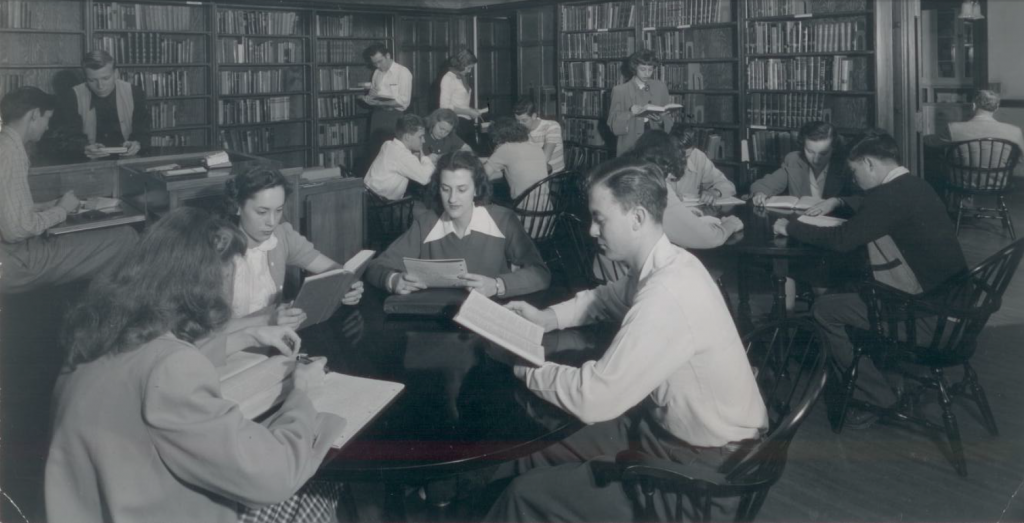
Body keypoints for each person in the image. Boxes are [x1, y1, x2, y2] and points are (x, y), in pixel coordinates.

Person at [484, 156, 767, 522]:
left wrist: (525, 366)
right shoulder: (666, 264)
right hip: (669, 433)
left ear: (635, 219)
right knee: (531, 455)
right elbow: (603, 298)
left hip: (706, 472)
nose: (591, 230)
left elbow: (594, 398)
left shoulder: (668, 294)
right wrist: (546, 317)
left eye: (600, 218)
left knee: (524, 495)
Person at [46, 207, 346, 523]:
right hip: (151, 512)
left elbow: (149, 364)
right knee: (315, 485)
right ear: (204, 284)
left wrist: (247, 336)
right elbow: (276, 476)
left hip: (96, 507)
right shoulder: (173, 368)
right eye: (229, 274)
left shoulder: (101, 330)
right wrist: (303, 395)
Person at [772, 130, 967, 429]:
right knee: (855, 287)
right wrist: (839, 202)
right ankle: (891, 376)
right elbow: (870, 209)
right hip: (959, 313)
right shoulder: (914, 185)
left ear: (869, 164)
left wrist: (792, 227)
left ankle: (877, 398)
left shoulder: (890, 196)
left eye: (855, 171)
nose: (855, 179)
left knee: (825, 310)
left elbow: (841, 240)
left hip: (930, 320)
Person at [0, 86, 137, 294]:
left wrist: (47, 206)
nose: (46, 127)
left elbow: (9, 211)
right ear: (35, 114)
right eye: (47, 119)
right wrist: (62, 210)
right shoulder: (10, 153)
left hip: (12, 256)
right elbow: (17, 230)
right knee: (126, 238)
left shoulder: (6, 144)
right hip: (16, 261)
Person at [365, 151, 550, 298]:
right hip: (436, 323)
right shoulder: (427, 223)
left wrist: (497, 285)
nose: (452, 199)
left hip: (488, 319)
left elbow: (540, 273)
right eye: (446, 189)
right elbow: (377, 266)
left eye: (462, 189)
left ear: (477, 189)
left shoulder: (503, 219)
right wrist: (394, 279)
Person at [222, 166, 363, 329]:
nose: (272, 222)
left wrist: (349, 285)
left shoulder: (281, 236)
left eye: (279, 210)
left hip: (270, 344)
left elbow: (336, 271)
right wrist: (268, 320)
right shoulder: (216, 251)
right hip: (224, 350)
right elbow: (205, 333)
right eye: (262, 212)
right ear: (237, 207)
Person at [628, 131, 743, 249]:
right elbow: (709, 238)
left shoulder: (633, 174)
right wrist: (730, 225)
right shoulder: (656, 186)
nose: (684, 163)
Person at [51, 49, 149, 159]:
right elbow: (65, 138)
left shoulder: (135, 93)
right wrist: (84, 147)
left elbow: (144, 133)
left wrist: (137, 144)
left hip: (127, 160)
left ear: (116, 74)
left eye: (106, 78)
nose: (100, 86)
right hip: (87, 163)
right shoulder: (72, 96)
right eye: (92, 80)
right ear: (85, 78)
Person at [750, 120, 858, 216]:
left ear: (833, 149)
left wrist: (837, 201)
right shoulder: (794, 160)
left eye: (823, 153)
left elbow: (863, 198)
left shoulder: (845, 165)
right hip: (801, 225)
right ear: (802, 146)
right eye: (810, 152)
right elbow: (763, 185)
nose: (816, 159)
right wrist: (760, 193)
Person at [607, 49, 675, 156]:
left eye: (650, 70)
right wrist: (630, 113)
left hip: (655, 143)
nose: (647, 74)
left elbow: (669, 120)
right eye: (643, 69)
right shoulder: (620, 90)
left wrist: (660, 121)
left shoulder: (660, 87)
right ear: (634, 68)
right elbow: (612, 125)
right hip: (630, 145)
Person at [364, 114, 436, 201]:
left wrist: (415, 157)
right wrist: (427, 159)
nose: (423, 140)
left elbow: (401, 161)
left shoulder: (388, 144)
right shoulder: (403, 155)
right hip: (382, 204)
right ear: (407, 137)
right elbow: (425, 178)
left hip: (368, 195)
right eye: (420, 137)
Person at [361, 43, 413, 160]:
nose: (378, 66)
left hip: (394, 117)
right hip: (377, 116)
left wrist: (380, 103)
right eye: (374, 63)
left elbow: (403, 101)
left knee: (391, 153)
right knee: (375, 152)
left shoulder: (403, 72)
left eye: (380, 61)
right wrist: (370, 97)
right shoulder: (377, 73)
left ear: (388, 55)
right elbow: (374, 94)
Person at [484, 117, 549, 200]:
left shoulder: (506, 148)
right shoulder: (536, 147)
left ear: (499, 137)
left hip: (523, 209)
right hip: (547, 207)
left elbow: (482, 175)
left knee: (488, 207)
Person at [669, 125, 737, 205]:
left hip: (691, 213)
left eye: (687, 156)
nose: (682, 161)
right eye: (678, 156)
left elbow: (728, 185)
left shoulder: (698, 157)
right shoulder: (657, 156)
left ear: (693, 149)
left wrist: (714, 192)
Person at [439, 49, 484, 154]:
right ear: (461, 65)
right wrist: (468, 112)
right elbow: (444, 106)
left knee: (471, 152)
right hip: (456, 122)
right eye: (468, 68)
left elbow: (460, 102)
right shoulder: (448, 78)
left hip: (466, 122)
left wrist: (471, 109)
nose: (469, 71)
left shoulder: (460, 77)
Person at [513, 98, 565, 174]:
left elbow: (544, 159)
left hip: (554, 176)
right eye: (517, 121)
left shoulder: (552, 126)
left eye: (524, 120)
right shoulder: (521, 129)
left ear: (534, 116)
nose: (520, 124)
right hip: (532, 172)